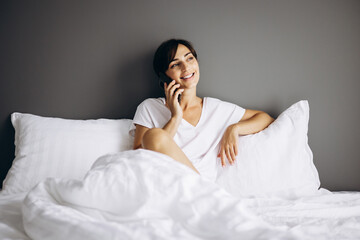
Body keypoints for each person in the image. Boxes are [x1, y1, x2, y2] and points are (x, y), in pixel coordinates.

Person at [130, 39, 274, 182]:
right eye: (175, 64)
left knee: (155, 135)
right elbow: (139, 156)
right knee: (154, 136)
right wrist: (176, 117)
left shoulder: (215, 109)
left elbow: (265, 118)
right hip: (163, 183)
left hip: (200, 189)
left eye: (190, 58)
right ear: (164, 76)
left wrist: (234, 128)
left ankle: (202, 190)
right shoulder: (149, 107)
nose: (186, 67)